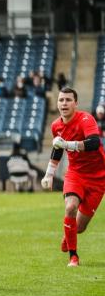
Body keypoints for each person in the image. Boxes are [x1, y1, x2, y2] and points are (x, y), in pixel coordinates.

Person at [41, 88, 105, 267]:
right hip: (75, 174)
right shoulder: (55, 126)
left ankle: (68, 235)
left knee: (81, 227)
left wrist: (67, 143)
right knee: (70, 208)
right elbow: (57, 149)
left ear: (76, 103)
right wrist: (49, 174)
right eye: (61, 100)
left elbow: (94, 143)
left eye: (68, 100)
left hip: (98, 178)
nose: (64, 103)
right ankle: (73, 257)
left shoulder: (86, 119)